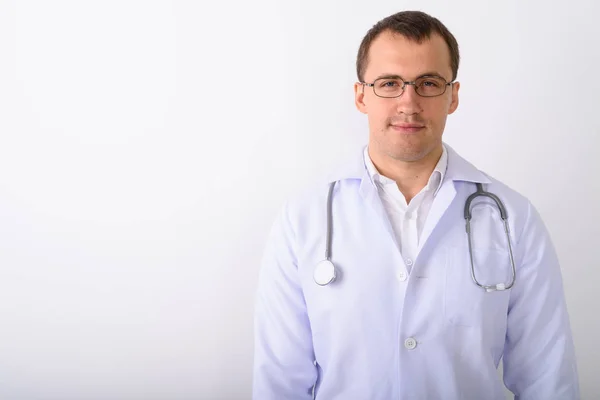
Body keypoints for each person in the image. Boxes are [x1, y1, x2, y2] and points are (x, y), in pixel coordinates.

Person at [252, 10, 579, 400]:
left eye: (428, 83)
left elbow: (548, 378)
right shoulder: (302, 220)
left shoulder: (513, 219)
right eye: (389, 83)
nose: (409, 102)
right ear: (361, 96)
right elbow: (280, 383)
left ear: (453, 96)